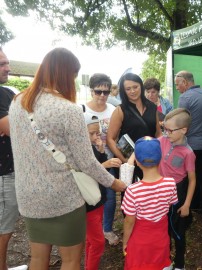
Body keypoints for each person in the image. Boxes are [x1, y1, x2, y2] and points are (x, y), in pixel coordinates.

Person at [8, 47, 126, 270]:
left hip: (28, 194)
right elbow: (86, 161)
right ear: (68, 74)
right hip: (63, 196)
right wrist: (113, 183)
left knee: (37, 258)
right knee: (71, 260)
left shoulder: (18, 103)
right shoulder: (68, 109)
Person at [121, 136, 178, 270]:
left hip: (140, 243)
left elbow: (129, 221)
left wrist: (125, 241)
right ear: (160, 158)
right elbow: (168, 205)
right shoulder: (170, 184)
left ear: (137, 162)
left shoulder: (133, 191)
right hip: (161, 238)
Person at [83, 73, 120, 246]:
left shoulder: (113, 110)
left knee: (110, 198)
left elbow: (115, 135)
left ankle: (107, 229)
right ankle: (91, 232)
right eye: (99, 92)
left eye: (106, 92)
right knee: (89, 198)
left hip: (108, 159)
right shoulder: (81, 109)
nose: (103, 96)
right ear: (92, 91)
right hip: (87, 161)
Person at [0, 47, 28, 270]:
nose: (8, 67)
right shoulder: (2, 95)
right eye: (1, 64)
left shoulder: (6, 93)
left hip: (9, 169)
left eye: (7, 62)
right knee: (3, 229)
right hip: (4, 173)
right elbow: (13, 128)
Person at [83, 113, 122, 270]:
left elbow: (97, 164)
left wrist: (100, 151)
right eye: (91, 133)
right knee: (98, 243)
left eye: (97, 133)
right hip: (89, 202)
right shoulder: (80, 151)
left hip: (97, 199)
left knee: (91, 239)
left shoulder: (92, 147)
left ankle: (88, 265)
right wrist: (104, 164)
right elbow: (86, 171)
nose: (95, 136)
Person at [174, 70, 202, 224]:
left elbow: (180, 123)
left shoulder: (185, 97)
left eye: (178, 84)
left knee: (185, 179)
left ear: (185, 82)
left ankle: (186, 211)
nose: (177, 88)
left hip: (190, 146)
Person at [158, 108, 196, 270]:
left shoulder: (188, 153)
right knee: (162, 229)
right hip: (160, 192)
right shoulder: (163, 140)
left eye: (170, 130)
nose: (166, 133)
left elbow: (192, 180)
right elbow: (147, 143)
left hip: (177, 194)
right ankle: (166, 260)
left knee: (178, 231)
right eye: (164, 129)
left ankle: (179, 264)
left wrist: (187, 204)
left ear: (183, 130)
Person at [107, 73, 162, 181]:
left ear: (141, 86)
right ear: (123, 91)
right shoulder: (120, 110)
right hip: (127, 161)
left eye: (135, 87)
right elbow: (110, 139)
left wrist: (157, 153)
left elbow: (158, 133)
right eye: (128, 89)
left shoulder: (152, 107)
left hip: (149, 161)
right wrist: (126, 161)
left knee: (149, 194)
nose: (132, 91)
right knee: (129, 194)